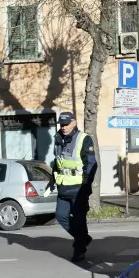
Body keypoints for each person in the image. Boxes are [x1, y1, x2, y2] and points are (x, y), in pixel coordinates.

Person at [45, 112, 97, 262]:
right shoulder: (58, 139)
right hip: (63, 186)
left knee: (79, 220)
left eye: (66, 124)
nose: (63, 127)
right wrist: (52, 182)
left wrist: (86, 185)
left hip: (78, 187)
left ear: (74, 122)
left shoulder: (83, 139)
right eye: (61, 124)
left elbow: (92, 164)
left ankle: (79, 250)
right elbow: (58, 163)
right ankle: (83, 238)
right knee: (61, 216)